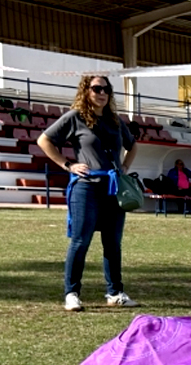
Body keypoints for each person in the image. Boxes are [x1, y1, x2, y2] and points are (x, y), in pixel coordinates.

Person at [37, 75, 138, 312]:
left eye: (106, 89)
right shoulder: (75, 117)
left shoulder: (115, 121)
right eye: (96, 88)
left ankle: (115, 292)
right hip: (86, 187)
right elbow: (44, 140)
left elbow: (132, 145)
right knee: (81, 240)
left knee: (113, 243)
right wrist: (67, 164)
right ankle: (71, 293)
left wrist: (124, 167)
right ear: (86, 91)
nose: (101, 93)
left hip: (113, 188)